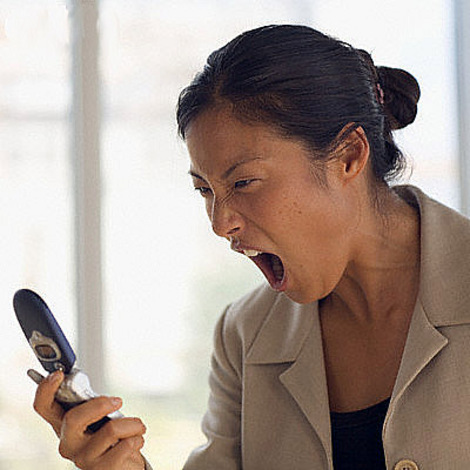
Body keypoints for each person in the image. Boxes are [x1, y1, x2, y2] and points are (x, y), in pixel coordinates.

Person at [33, 24, 470, 470]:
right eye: (205, 190)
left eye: (243, 182)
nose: (221, 223)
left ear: (349, 156)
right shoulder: (246, 334)